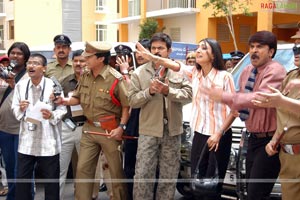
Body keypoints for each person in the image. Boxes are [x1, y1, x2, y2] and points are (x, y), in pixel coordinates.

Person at [203, 31, 286, 199]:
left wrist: (224, 96)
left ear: (271, 52)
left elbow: (260, 98)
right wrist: (220, 130)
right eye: (252, 46)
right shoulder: (247, 70)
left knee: (257, 193)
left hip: (270, 140)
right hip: (251, 138)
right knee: (248, 189)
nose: (254, 51)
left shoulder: (275, 71)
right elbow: (239, 103)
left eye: (259, 47)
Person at [55, 41, 129, 200]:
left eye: (88, 57)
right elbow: (77, 97)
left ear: (100, 59)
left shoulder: (116, 78)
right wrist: (64, 101)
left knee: (115, 171)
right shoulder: (86, 76)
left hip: (110, 130)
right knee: (83, 169)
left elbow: (126, 106)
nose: (84, 59)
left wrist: (121, 127)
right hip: (89, 129)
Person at [128, 32, 192, 200]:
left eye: (161, 48)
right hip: (148, 131)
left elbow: (189, 95)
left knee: (168, 176)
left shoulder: (178, 71)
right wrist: (149, 92)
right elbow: (132, 101)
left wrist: (167, 91)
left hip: (172, 131)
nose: (156, 51)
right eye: (153, 48)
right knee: (143, 175)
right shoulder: (139, 73)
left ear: (169, 51)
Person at [12, 53, 66, 200]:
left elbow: (62, 109)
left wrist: (52, 116)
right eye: (29, 63)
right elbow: (14, 108)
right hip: (27, 142)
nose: (31, 66)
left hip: (48, 142)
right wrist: (21, 109)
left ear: (44, 68)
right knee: (22, 181)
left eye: (35, 63)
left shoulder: (53, 85)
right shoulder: (20, 85)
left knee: (51, 183)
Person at [251, 39, 300, 200]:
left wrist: (281, 101)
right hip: (288, 156)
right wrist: (275, 139)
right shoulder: (291, 76)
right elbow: (284, 117)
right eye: (296, 43)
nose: (296, 48)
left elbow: (282, 103)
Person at [188, 38, 237, 200]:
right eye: (197, 48)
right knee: (197, 182)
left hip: (218, 137)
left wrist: (218, 133)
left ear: (214, 55)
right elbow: (176, 66)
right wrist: (153, 57)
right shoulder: (195, 74)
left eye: (204, 48)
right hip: (199, 135)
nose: (198, 51)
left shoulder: (224, 77)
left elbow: (234, 110)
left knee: (212, 185)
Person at [0, 42, 31, 200]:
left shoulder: (30, 75)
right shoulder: (3, 72)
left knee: (23, 170)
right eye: (12, 53)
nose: (15, 56)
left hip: (22, 129)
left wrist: (14, 84)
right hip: (4, 128)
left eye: (19, 54)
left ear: (25, 57)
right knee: (10, 167)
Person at [59, 49, 87, 199]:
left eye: (82, 61)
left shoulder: (92, 80)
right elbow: (57, 105)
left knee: (83, 169)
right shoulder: (65, 82)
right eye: (76, 61)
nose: (78, 64)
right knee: (60, 168)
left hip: (87, 128)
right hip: (67, 128)